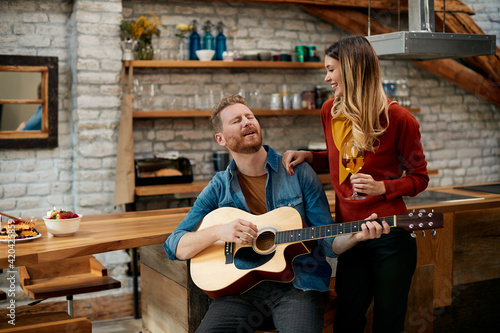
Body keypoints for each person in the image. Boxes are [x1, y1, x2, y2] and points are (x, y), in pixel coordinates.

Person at [164, 94, 390, 333]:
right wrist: (220, 231)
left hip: (298, 287)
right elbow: (174, 245)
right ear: (221, 139)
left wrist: (356, 236)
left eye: (250, 116)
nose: (247, 122)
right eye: (237, 120)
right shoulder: (219, 186)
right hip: (240, 291)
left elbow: (327, 242)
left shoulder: (298, 173)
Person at [282, 35, 429, 333]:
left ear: (352, 70)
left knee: (388, 322)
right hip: (349, 234)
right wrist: (309, 156)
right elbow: (341, 162)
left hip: (390, 234)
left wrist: (383, 188)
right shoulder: (330, 111)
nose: (327, 77)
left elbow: (420, 177)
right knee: (346, 319)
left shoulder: (399, 118)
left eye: (331, 69)